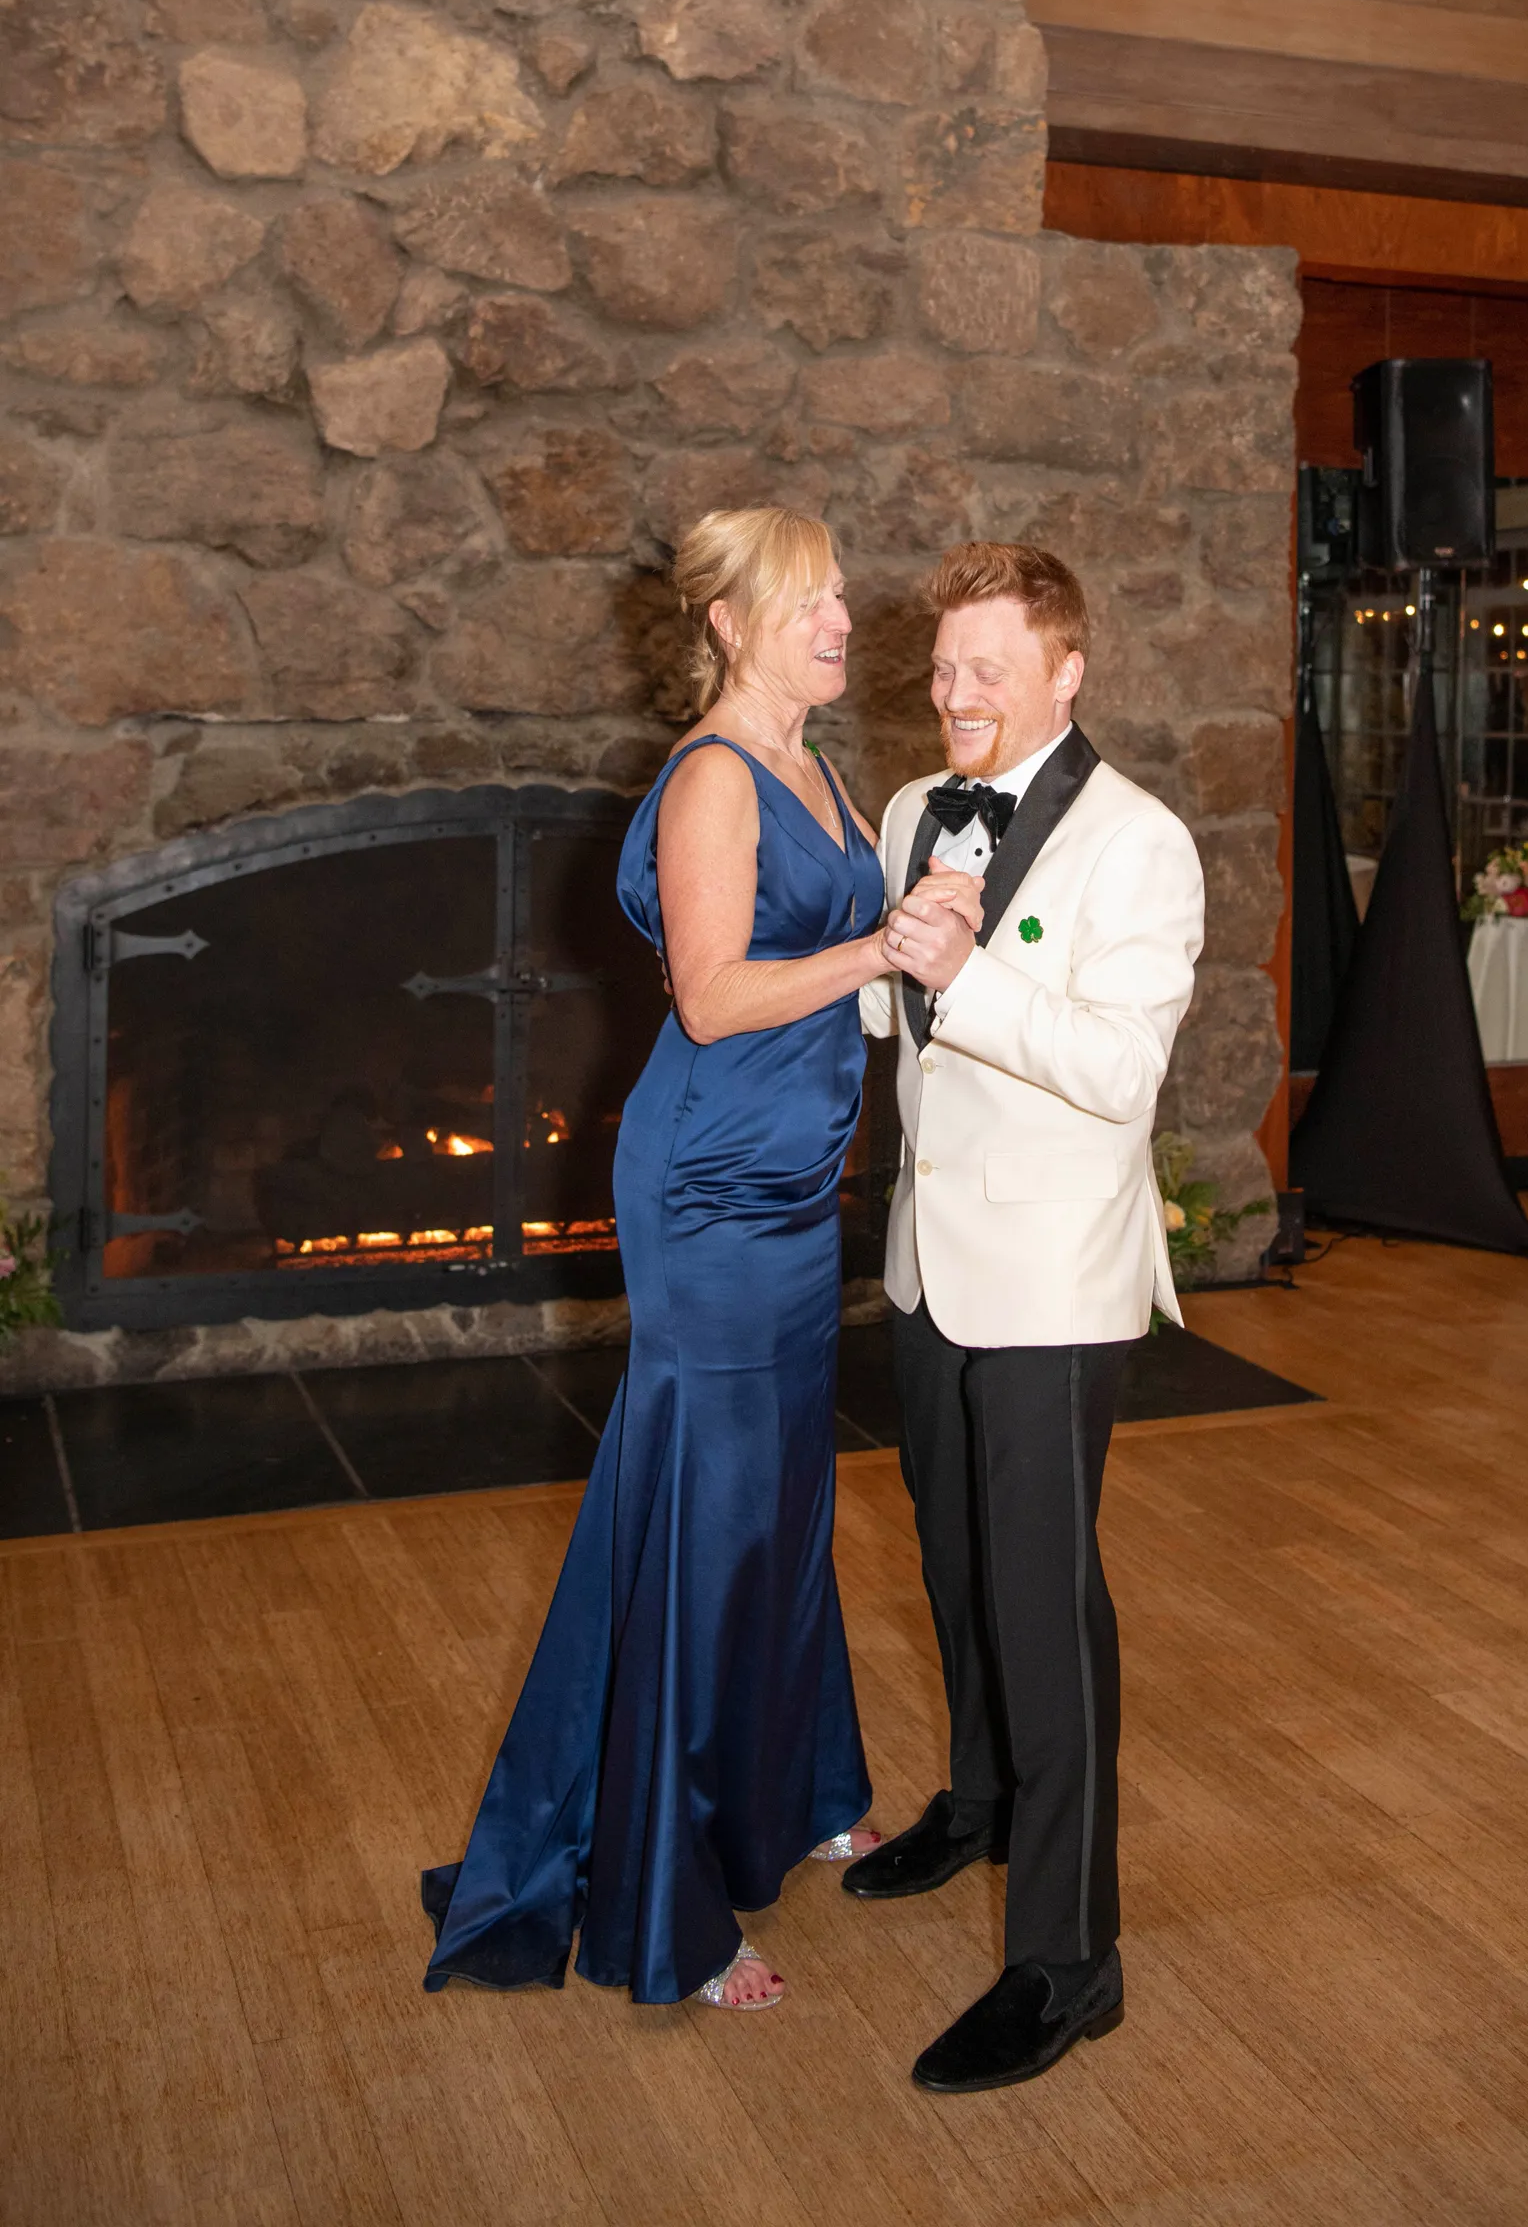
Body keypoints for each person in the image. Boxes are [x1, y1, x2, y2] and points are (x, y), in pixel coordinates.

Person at [421, 508, 979, 2012]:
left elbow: (842, 952)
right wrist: (881, 950)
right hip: (712, 1190)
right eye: (811, 601)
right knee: (712, 1516)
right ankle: (666, 1899)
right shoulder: (716, 775)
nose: (842, 620)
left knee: (785, 1501)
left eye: (842, 595)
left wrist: (926, 914)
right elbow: (716, 997)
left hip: (793, 1187)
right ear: (730, 624)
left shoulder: (816, 767)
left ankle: (798, 1790)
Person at [851, 541, 1205, 2092]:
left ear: (1067, 670)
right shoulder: (910, 812)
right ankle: (981, 1800)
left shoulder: (1143, 844)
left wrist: (971, 971)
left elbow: (1122, 1074)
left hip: (1054, 1278)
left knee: (1046, 1607)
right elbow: (895, 1018)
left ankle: (1070, 1961)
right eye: (943, 667)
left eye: (988, 668)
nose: (956, 694)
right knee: (953, 1562)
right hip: (931, 1261)